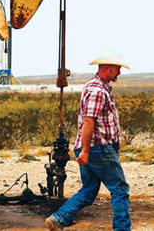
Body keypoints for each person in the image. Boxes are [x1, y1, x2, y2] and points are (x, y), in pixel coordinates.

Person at [45, 55, 131, 230]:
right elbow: (89, 121)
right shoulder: (98, 90)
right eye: (118, 68)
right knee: (120, 189)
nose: (119, 72)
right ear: (108, 67)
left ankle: (59, 219)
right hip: (98, 148)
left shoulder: (96, 87)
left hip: (94, 148)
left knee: (89, 189)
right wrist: (85, 150)